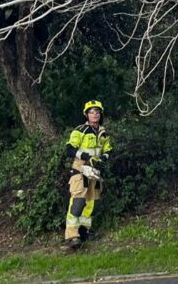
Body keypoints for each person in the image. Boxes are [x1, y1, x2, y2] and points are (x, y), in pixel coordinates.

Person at [63, 100, 112, 248]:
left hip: (95, 172)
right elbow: (70, 149)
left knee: (92, 203)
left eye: (97, 111)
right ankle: (72, 236)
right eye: (91, 112)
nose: (95, 114)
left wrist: (103, 158)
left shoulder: (103, 133)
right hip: (81, 170)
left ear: (101, 114)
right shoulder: (80, 130)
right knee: (78, 203)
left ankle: (85, 231)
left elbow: (108, 150)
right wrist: (87, 158)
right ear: (86, 114)